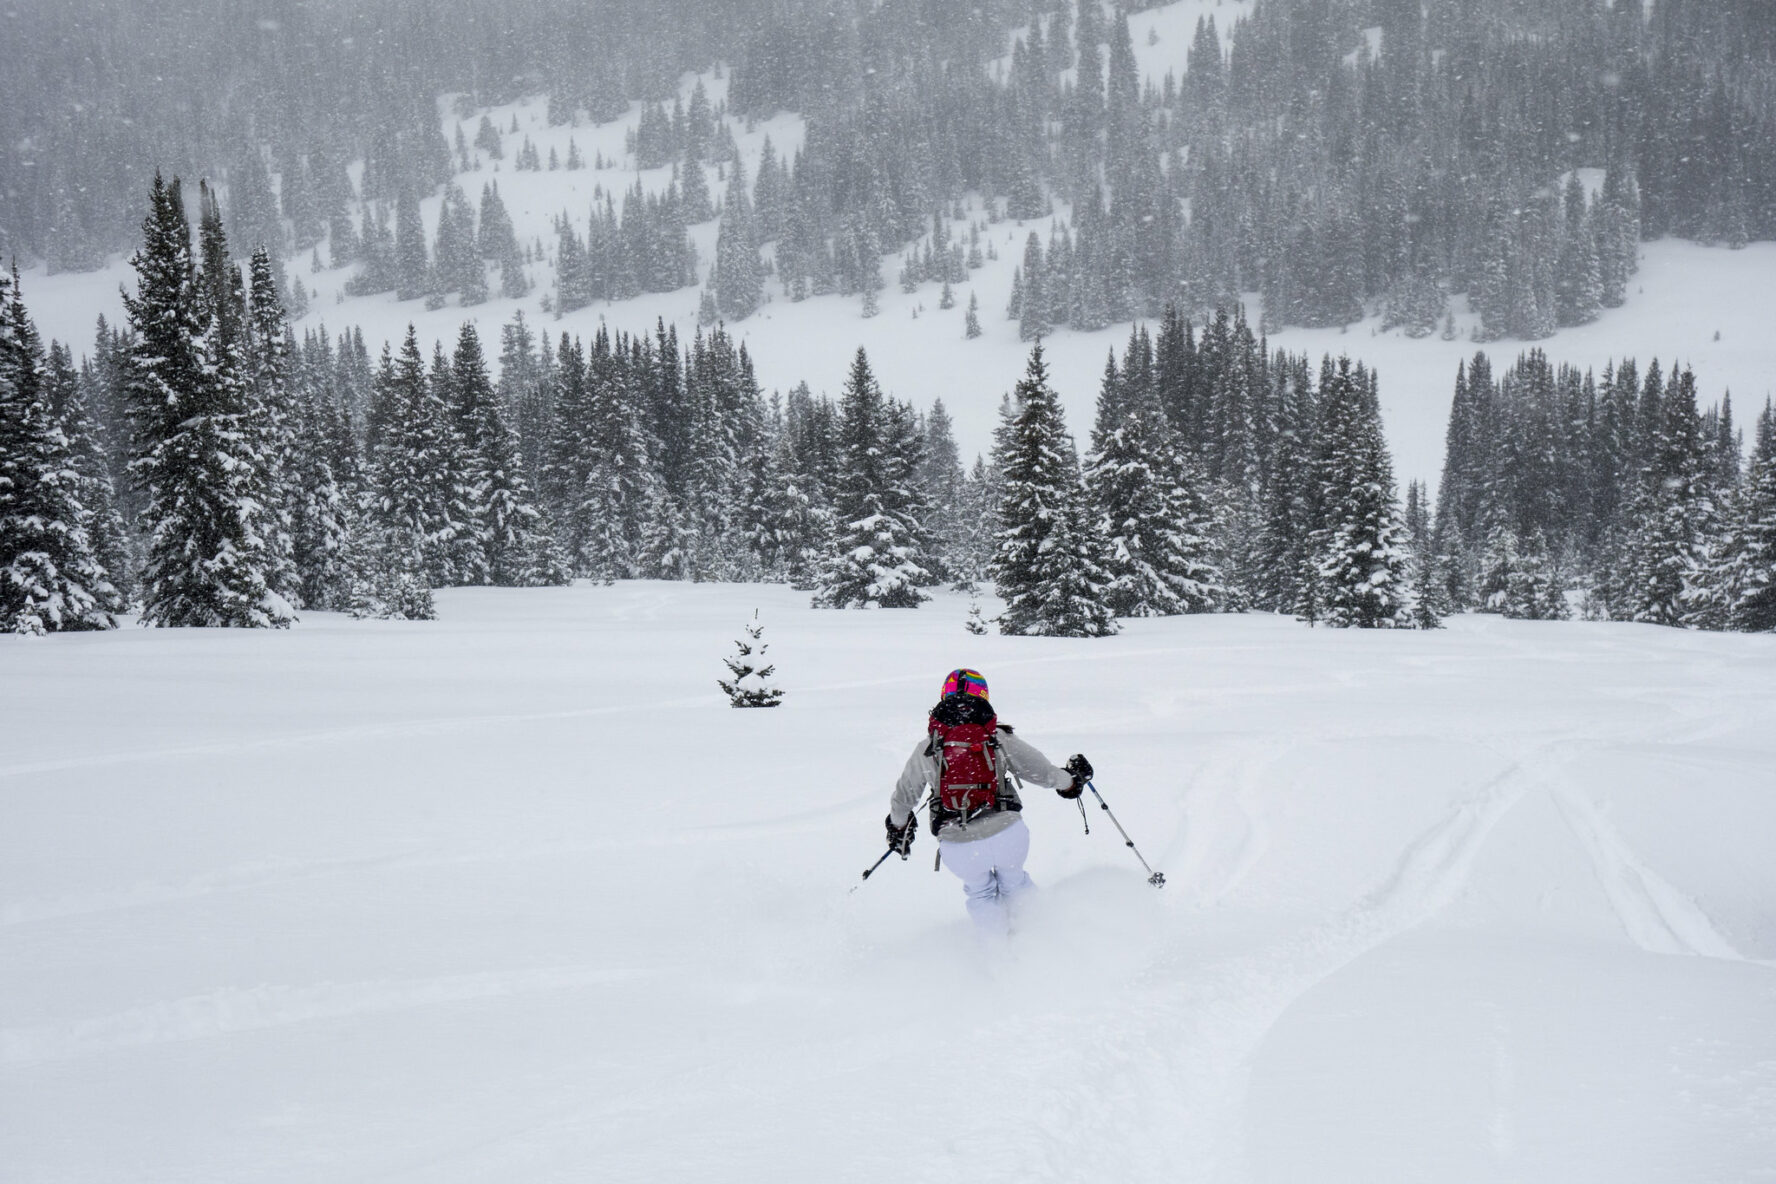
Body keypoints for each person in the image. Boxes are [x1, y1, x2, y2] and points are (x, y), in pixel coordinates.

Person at [885, 668, 1092, 933]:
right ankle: (1040, 942)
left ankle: (999, 958)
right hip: (1007, 832)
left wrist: (899, 827)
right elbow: (1044, 773)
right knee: (1015, 883)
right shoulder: (997, 737)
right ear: (983, 695)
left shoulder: (928, 747)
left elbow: (903, 798)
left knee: (980, 895)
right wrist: (1072, 782)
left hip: (958, 844)